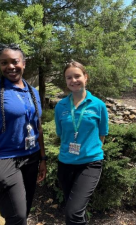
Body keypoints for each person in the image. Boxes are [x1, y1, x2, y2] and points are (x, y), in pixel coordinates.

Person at [0, 43, 47, 225]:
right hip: (6, 160)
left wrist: (43, 158)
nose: (10, 66)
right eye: (4, 62)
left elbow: (38, 127)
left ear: (23, 63)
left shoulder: (33, 92)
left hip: (31, 158)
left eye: (14, 61)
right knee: (17, 216)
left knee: (24, 211)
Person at [54, 60, 109, 225]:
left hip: (90, 163)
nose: (73, 80)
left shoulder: (98, 105)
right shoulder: (61, 106)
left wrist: (91, 150)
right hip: (65, 163)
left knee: (73, 213)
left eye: (77, 76)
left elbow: (102, 134)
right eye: (69, 77)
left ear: (86, 77)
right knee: (77, 212)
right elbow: (61, 133)